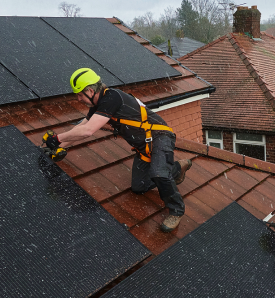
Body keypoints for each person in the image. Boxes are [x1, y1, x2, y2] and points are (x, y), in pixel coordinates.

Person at [52, 68, 191, 232]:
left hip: (160, 136)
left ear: (90, 90)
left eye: (80, 94)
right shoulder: (100, 104)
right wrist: (57, 147)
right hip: (143, 147)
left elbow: (88, 131)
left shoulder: (112, 97)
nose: (78, 98)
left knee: (159, 173)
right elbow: (82, 126)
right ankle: (175, 169)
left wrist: (56, 138)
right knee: (139, 187)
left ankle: (176, 211)